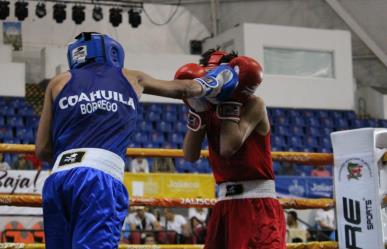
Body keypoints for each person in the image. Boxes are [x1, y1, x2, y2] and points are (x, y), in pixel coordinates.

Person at [35, 32, 239, 249]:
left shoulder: (57, 82)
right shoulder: (131, 77)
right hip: (99, 180)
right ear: (112, 51)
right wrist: (220, 78)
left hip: (58, 181)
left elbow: (42, 150)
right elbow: (186, 89)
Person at [180, 49, 286, 249]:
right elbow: (190, 155)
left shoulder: (254, 104)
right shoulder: (207, 108)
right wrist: (197, 110)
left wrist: (232, 98)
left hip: (257, 203)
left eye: (217, 76)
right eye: (208, 77)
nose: (212, 82)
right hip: (224, 206)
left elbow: (228, 147)